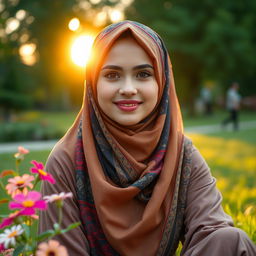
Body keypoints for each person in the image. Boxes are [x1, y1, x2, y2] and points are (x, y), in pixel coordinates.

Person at [39, 21, 256, 255]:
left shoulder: (181, 154)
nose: (128, 88)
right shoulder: (67, 160)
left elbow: (212, 232)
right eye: (112, 75)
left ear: (162, 81)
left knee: (229, 239)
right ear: (93, 82)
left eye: (143, 74)